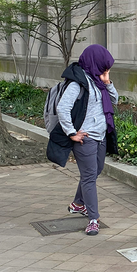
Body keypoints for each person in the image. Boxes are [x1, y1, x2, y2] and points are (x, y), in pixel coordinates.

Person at [46, 44, 119, 236]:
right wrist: (72, 133)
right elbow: (63, 108)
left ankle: (78, 203)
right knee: (89, 177)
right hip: (84, 138)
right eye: (104, 66)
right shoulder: (77, 83)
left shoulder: (98, 79)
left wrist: (107, 81)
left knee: (96, 170)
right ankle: (93, 219)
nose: (106, 70)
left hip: (101, 135)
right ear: (95, 63)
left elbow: (115, 100)